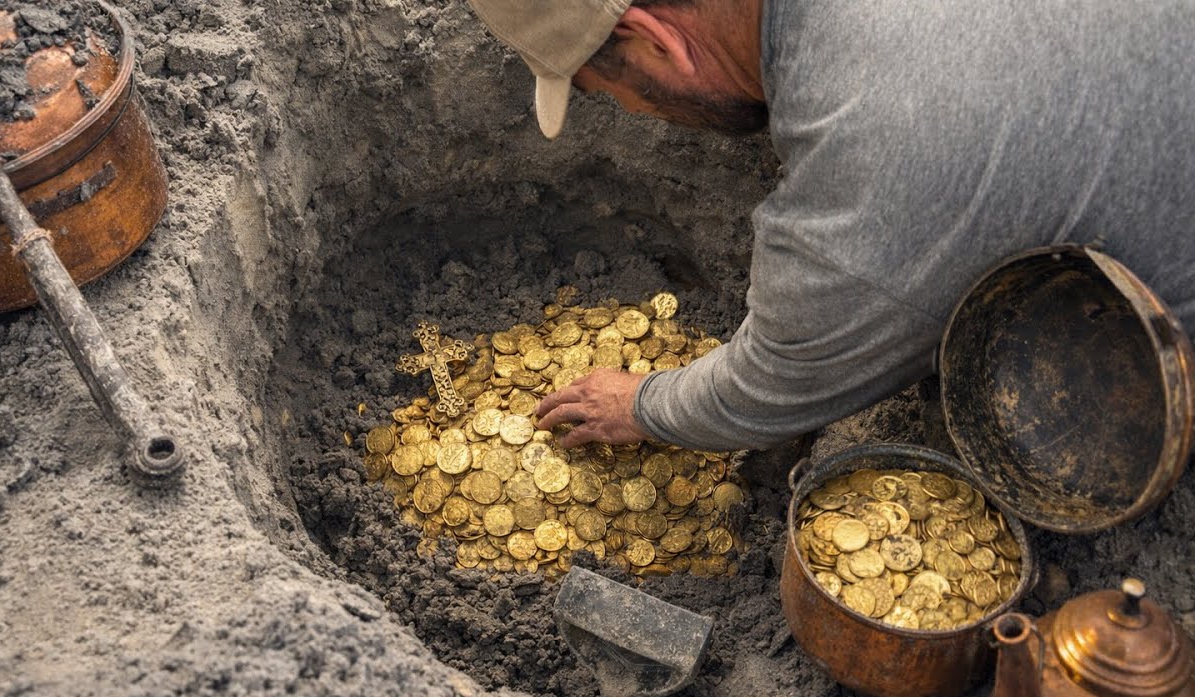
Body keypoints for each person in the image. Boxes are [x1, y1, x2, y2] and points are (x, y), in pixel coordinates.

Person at [465, 0, 1195, 451]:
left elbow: (775, 383)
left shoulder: (878, 137)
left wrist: (643, 404)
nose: (633, 112)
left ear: (651, 38)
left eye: (608, 90)